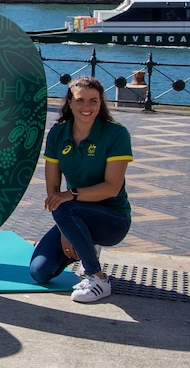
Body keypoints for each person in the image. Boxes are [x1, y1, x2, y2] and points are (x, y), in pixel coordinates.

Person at [29, 76, 133, 303]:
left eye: (93, 101)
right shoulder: (58, 134)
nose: (87, 107)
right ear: (70, 102)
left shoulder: (116, 134)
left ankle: (97, 277)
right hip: (72, 214)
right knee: (39, 272)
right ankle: (84, 242)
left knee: (64, 205)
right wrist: (66, 231)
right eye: (80, 100)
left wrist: (71, 196)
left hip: (112, 220)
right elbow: (53, 191)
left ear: (101, 103)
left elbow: (112, 188)